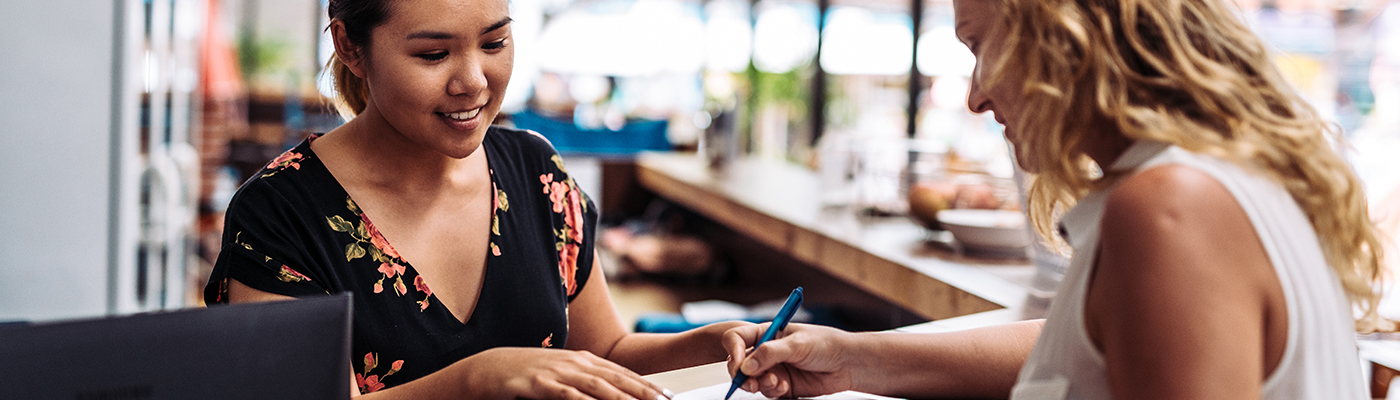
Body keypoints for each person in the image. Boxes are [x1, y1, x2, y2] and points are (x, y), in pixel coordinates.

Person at [722, 0, 1387, 399]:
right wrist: (854, 359)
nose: (975, 96)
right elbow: (1089, 351)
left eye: (979, 45)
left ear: (1067, 27)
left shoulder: (1169, 212)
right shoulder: (1224, 178)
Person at [203, 0, 745, 398]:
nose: (473, 81)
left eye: (494, 44)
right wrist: (476, 380)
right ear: (349, 46)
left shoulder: (537, 173)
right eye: (433, 54)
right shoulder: (280, 212)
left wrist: (726, 342)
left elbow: (604, 356)